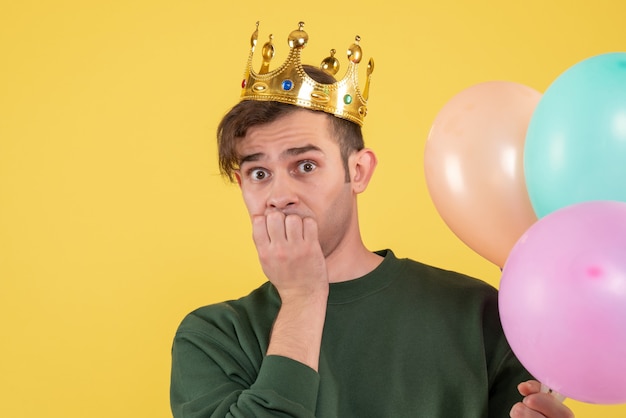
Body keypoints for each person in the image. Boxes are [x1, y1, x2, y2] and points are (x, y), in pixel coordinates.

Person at [170, 22, 575, 418]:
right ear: (241, 184)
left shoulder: (478, 313)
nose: (279, 196)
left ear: (359, 171)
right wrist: (303, 298)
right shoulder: (214, 337)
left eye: (305, 165)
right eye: (259, 174)